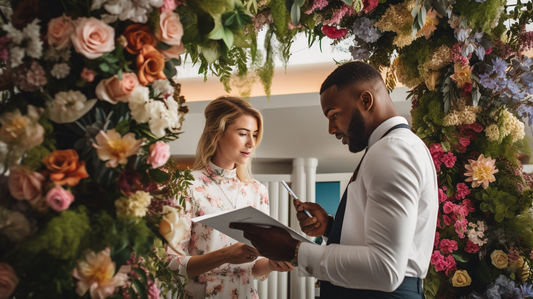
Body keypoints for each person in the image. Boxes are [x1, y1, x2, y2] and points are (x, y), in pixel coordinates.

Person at [230, 61, 438, 299]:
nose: (331, 129)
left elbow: (385, 268)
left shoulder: (391, 150)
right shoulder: (395, 146)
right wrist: (331, 228)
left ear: (366, 101)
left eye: (334, 115)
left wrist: (294, 250)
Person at [169, 96, 293, 298]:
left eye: (254, 134)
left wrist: (270, 264)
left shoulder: (257, 191)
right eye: (243, 133)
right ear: (216, 133)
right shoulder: (186, 186)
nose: (251, 143)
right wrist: (225, 255)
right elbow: (170, 263)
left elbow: (252, 267)